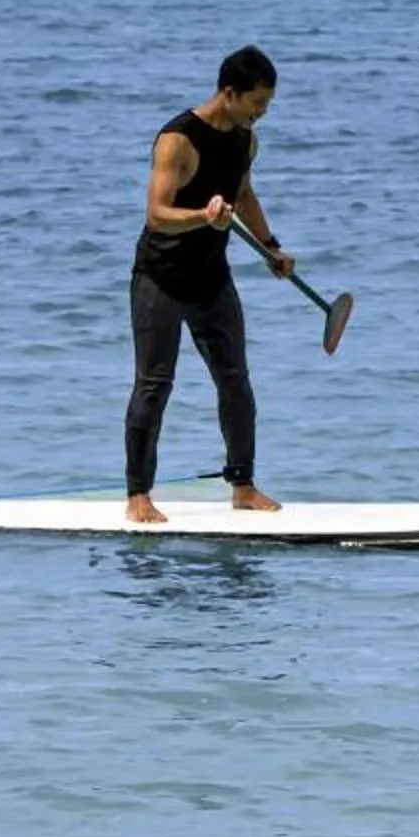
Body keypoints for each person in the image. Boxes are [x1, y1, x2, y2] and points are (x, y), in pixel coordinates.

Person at [125, 45, 296, 526]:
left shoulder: (245, 141)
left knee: (235, 381)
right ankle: (138, 495)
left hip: (211, 280)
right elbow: (156, 215)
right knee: (155, 384)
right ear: (229, 92)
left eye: (267, 104)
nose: (261, 113)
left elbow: (243, 194)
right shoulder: (177, 140)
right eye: (257, 103)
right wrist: (203, 216)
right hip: (160, 279)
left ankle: (243, 486)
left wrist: (270, 248)